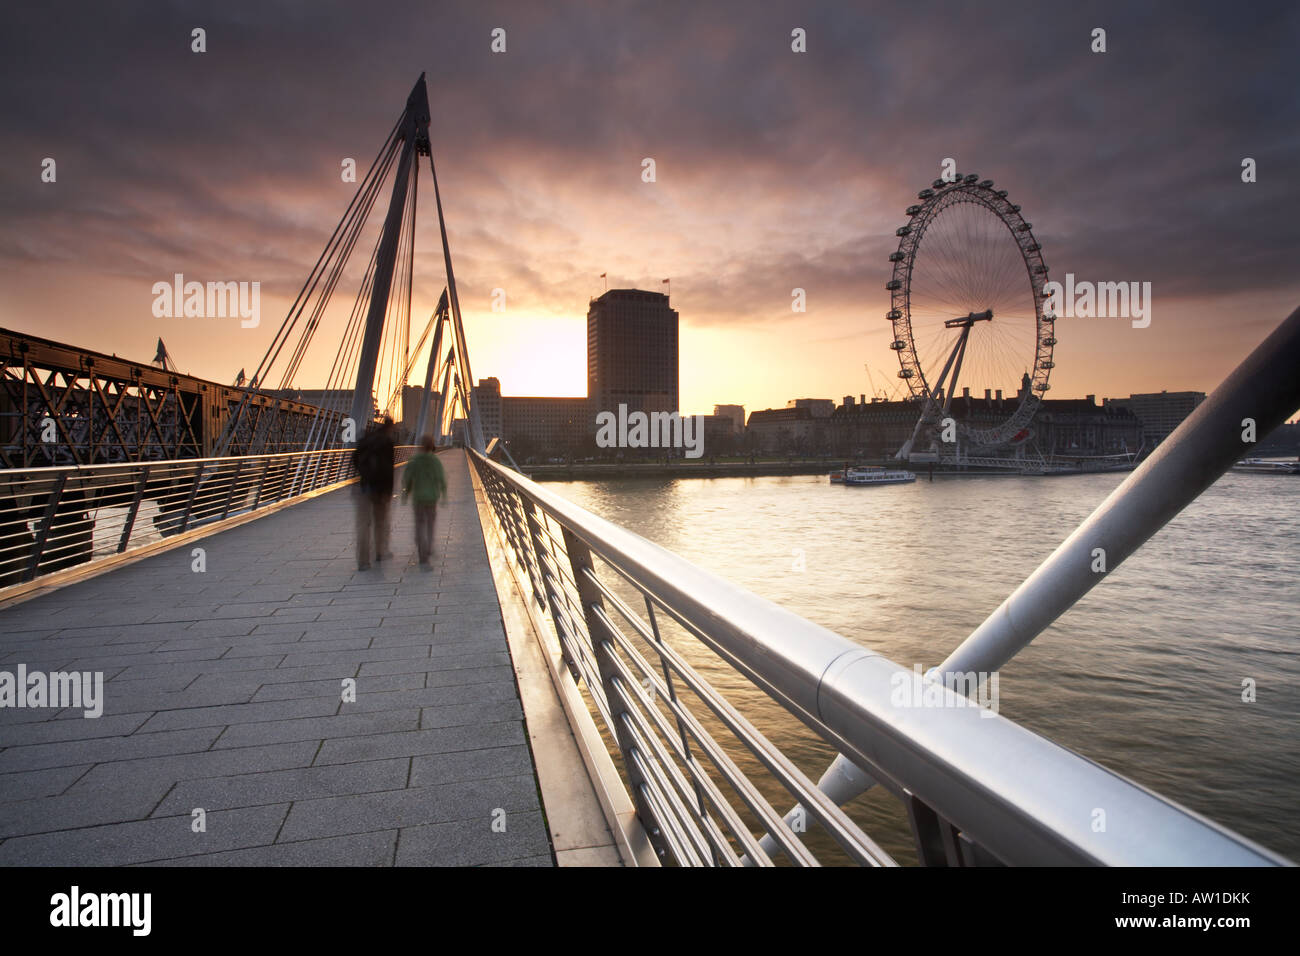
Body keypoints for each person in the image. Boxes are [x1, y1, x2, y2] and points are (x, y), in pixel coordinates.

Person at [352, 415, 396, 570]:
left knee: (364, 524)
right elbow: (390, 467)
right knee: (380, 521)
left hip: (365, 486)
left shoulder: (366, 439)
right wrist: (390, 490)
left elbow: (355, 460)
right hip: (381, 487)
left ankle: (363, 561)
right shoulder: (387, 442)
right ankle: (380, 552)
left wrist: (363, 476)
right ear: (390, 427)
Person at [401, 435, 447, 568]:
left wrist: (406, 493)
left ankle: (422, 553)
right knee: (430, 525)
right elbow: (442, 480)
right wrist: (444, 496)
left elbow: (407, 479)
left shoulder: (414, 460)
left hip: (419, 499)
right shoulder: (435, 461)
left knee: (420, 525)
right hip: (432, 499)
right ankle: (429, 546)